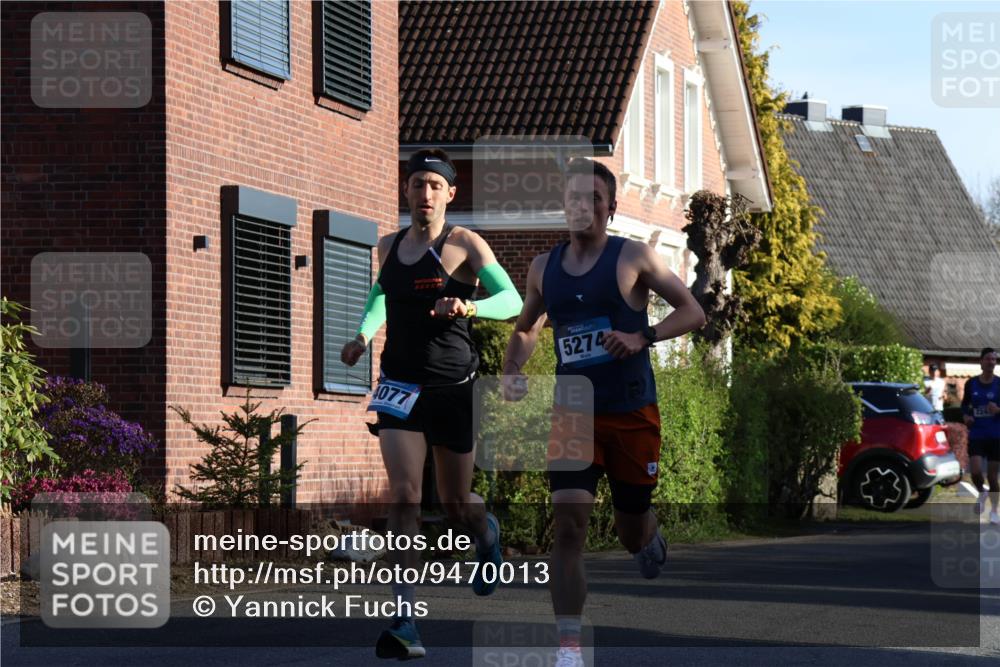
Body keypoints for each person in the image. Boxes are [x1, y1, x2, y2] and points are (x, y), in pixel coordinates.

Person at [500, 158, 706, 667]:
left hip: (630, 410)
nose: (582, 206)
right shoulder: (544, 267)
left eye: (593, 197)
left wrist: (643, 336)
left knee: (630, 527)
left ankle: (648, 538)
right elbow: (528, 326)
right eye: (573, 197)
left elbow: (693, 311)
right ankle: (569, 646)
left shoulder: (633, 257)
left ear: (610, 208)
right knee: (569, 526)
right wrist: (511, 367)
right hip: (573, 411)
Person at [341, 148, 523, 660]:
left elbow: (512, 300)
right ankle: (405, 621)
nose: (424, 193)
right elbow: (382, 296)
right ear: (407, 190)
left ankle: (485, 536)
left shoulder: (464, 243)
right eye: (416, 183)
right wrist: (361, 335)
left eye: (433, 185)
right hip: (399, 385)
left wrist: (469, 304)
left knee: (455, 503)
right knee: (402, 495)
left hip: (452, 387)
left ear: (450, 194)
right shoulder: (388, 245)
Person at [963, 347, 1000, 524]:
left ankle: (994, 511)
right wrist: (966, 416)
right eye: (988, 359)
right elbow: (964, 405)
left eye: (994, 360)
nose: (991, 362)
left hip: (996, 435)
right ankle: (981, 491)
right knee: (976, 472)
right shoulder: (971, 384)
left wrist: (998, 410)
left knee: (993, 477)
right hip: (977, 433)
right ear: (981, 362)